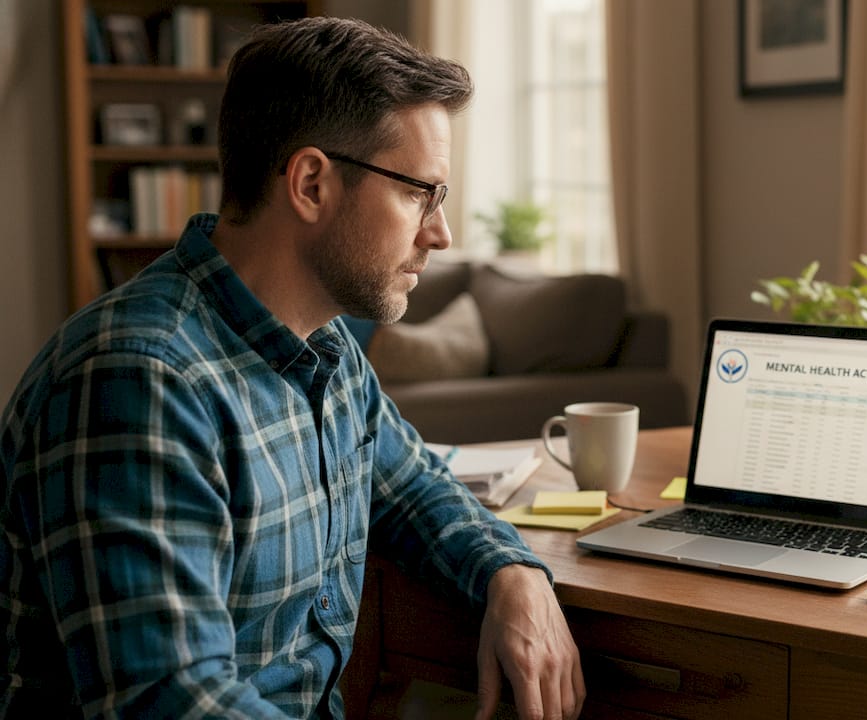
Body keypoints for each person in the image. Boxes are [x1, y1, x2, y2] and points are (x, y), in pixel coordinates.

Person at [0, 17, 583, 720]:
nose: (440, 232)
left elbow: (412, 488)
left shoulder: (325, 349)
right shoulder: (138, 381)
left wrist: (512, 571)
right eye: (417, 193)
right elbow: (174, 702)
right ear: (310, 183)